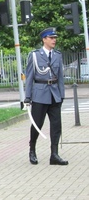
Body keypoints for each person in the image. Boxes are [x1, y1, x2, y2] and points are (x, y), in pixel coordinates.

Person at [24, 28, 67, 165]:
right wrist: (28, 96)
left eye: (55, 37)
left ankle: (54, 155)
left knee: (56, 125)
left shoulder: (57, 55)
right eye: (51, 38)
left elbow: (60, 76)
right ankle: (32, 150)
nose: (54, 40)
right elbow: (29, 77)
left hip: (54, 94)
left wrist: (61, 95)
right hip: (39, 94)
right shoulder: (35, 55)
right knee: (37, 124)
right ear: (44, 39)